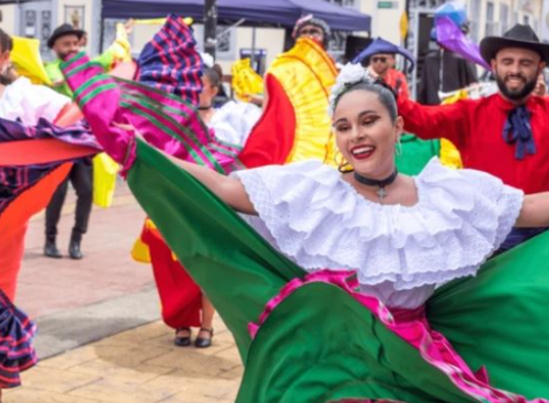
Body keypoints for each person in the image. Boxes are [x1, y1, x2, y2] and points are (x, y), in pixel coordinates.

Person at [62, 47, 549, 400]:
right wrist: (138, 151)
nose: (355, 134)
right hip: (330, 363)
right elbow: (228, 188)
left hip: (414, 363)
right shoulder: (318, 194)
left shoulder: (445, 196)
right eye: (343, 126)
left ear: (397, 128)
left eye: (368, 121)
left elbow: (528, 209)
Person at [0, 25, 97, 403]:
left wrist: (96, 81)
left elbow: (73, 115)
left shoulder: (25, 98)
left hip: (0, 224)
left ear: (6, 55)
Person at [399, 24, 549, 251]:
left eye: (525, 63)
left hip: (542, 238)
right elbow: (423, 119)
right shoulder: (469, 113)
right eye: (508, 61)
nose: (515, 70)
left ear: (540, 67)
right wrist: (387, 97)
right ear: (494, 65)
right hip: (487, 236)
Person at [43, 23, 93, 259]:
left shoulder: (84, 67)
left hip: (82, 141)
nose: (72, 48)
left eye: (75, 43)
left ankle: (76, 240)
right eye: (67, 44)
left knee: (86, 191)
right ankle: (50, 240)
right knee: (58, 192)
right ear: (55, 47)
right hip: (58, 141)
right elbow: (54, 80)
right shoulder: (51, 68)